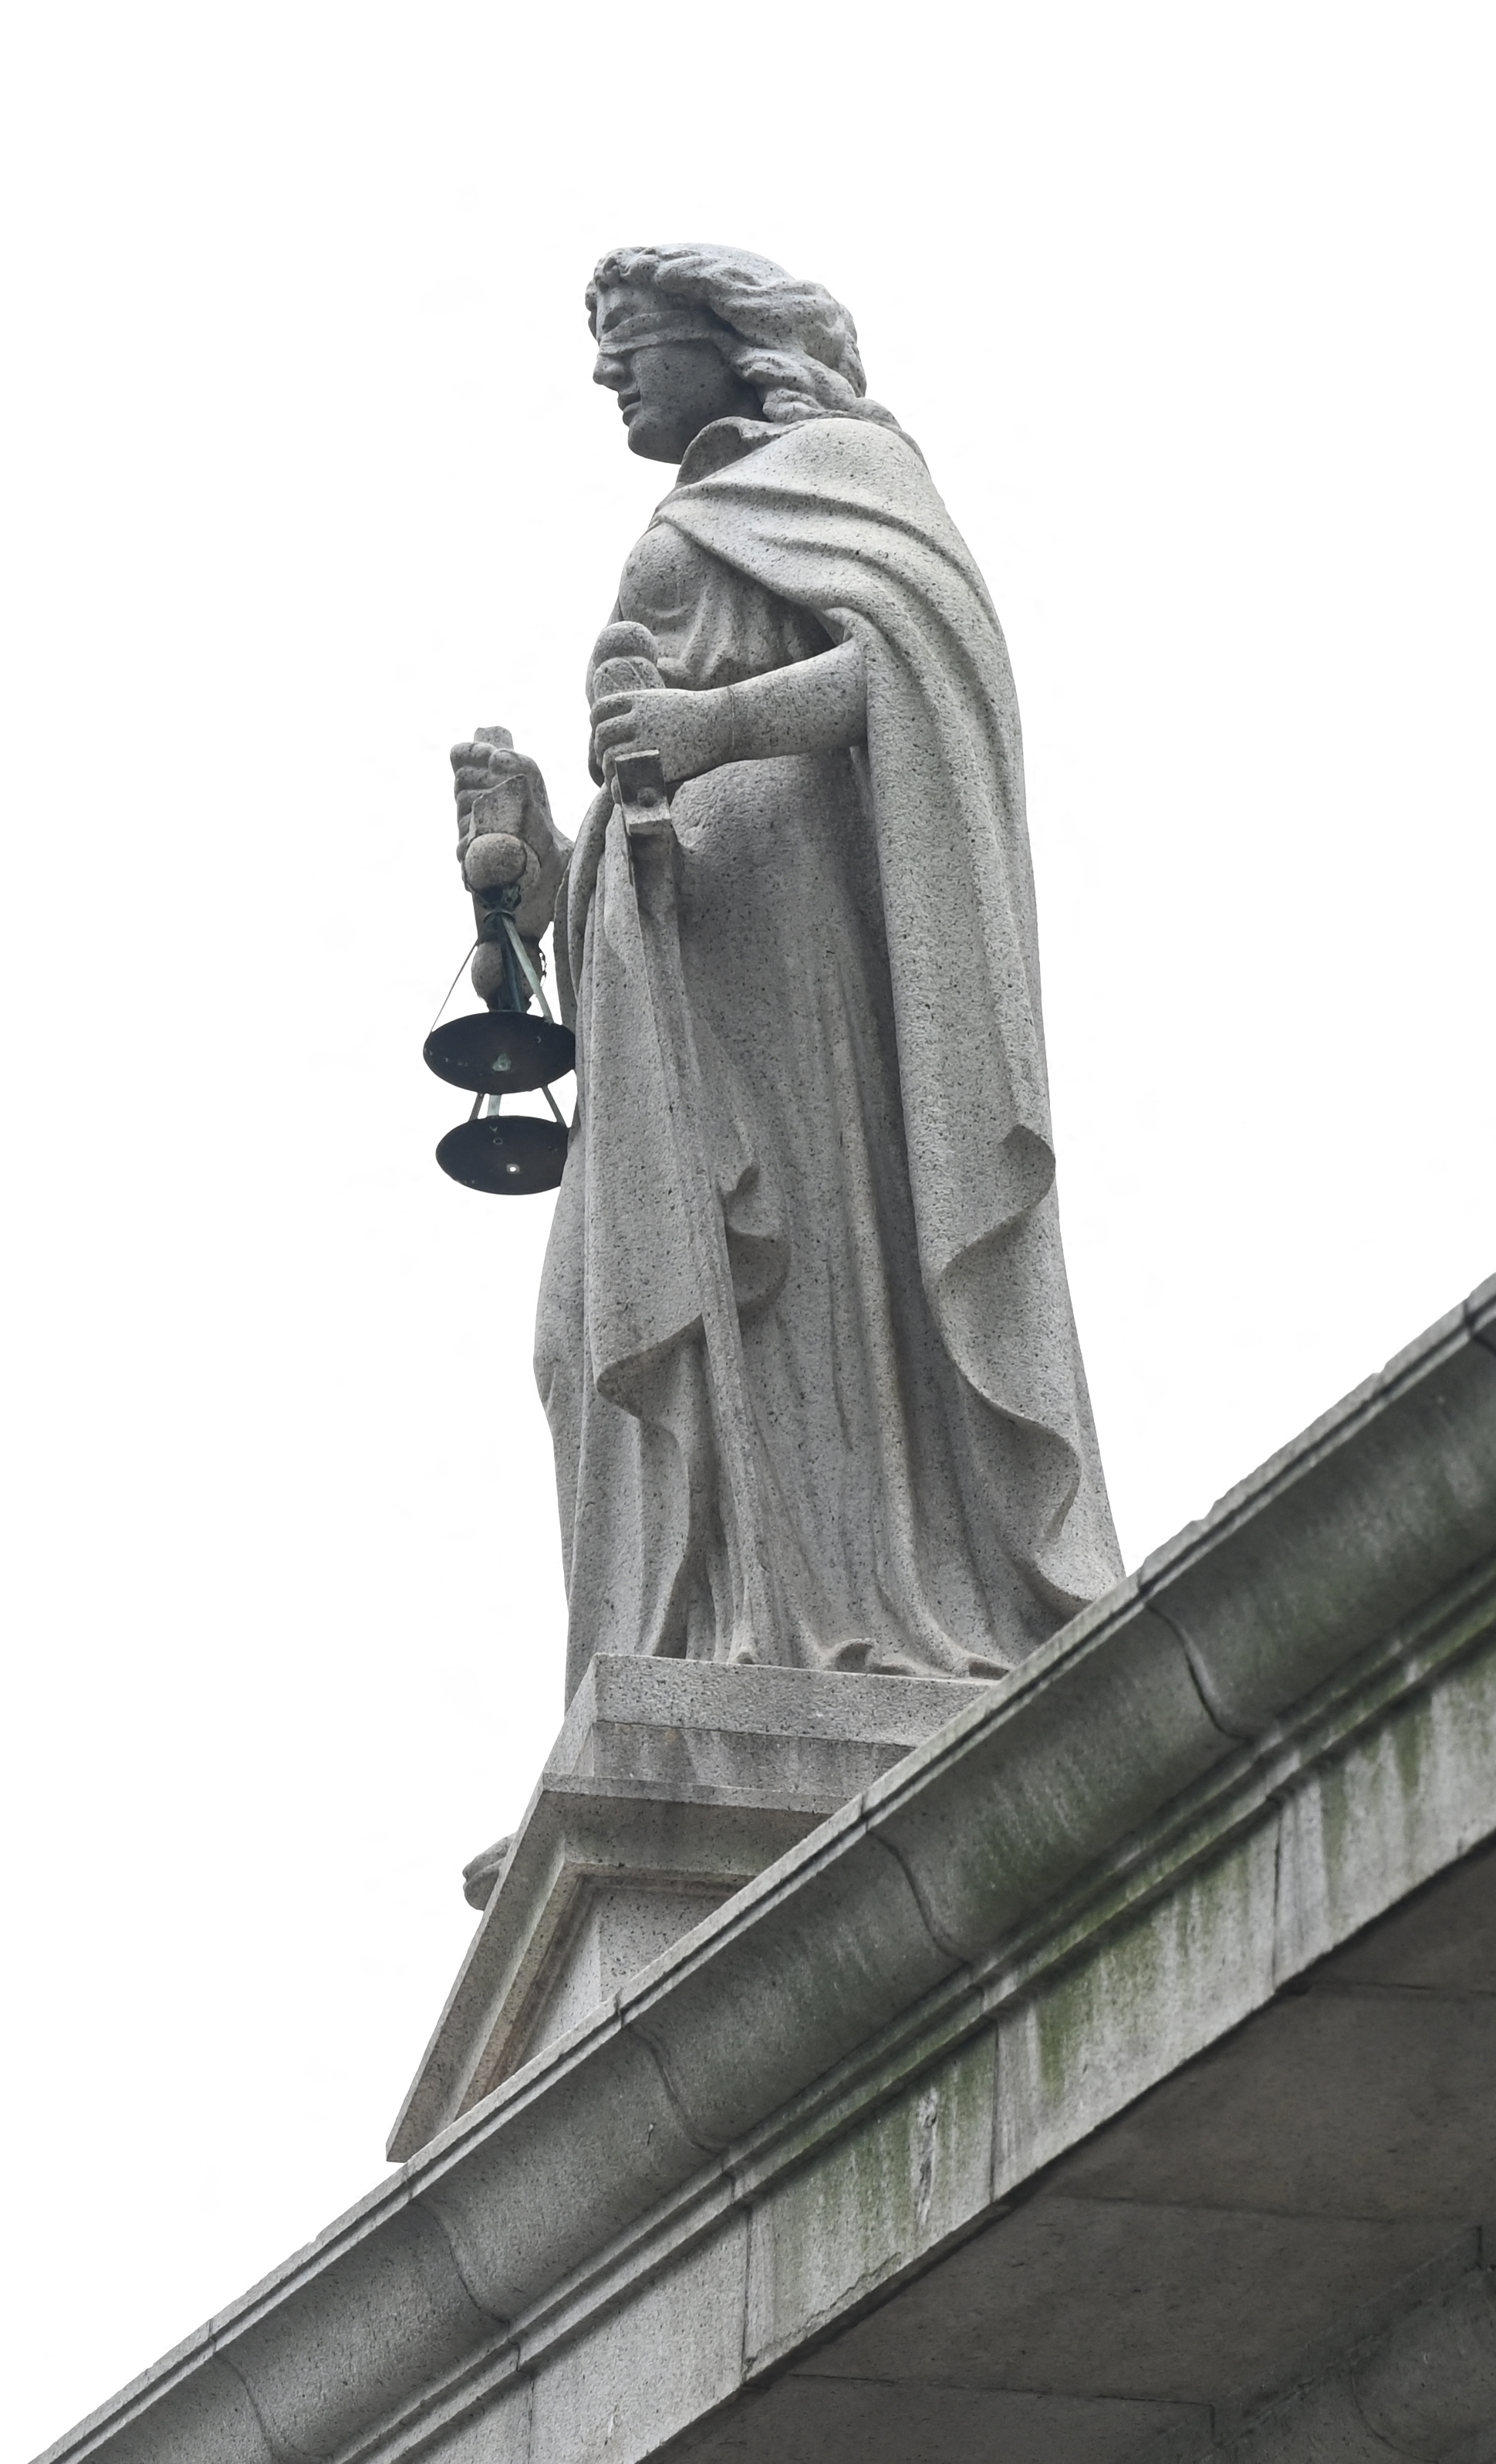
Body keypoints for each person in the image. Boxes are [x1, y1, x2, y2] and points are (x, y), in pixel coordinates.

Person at [451, 245, 1117, 1691]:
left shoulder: (841, 476)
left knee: (790, 1282)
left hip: (791, 952)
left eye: (629, 336)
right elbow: (658, 806)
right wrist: (545, 859)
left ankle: (826, 1625)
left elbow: (926, 675)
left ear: (730, 338)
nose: (603, 368)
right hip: (675, 954)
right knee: (583, 1342)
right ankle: (669, 1646)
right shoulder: (699, 515)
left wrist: (708, 729)